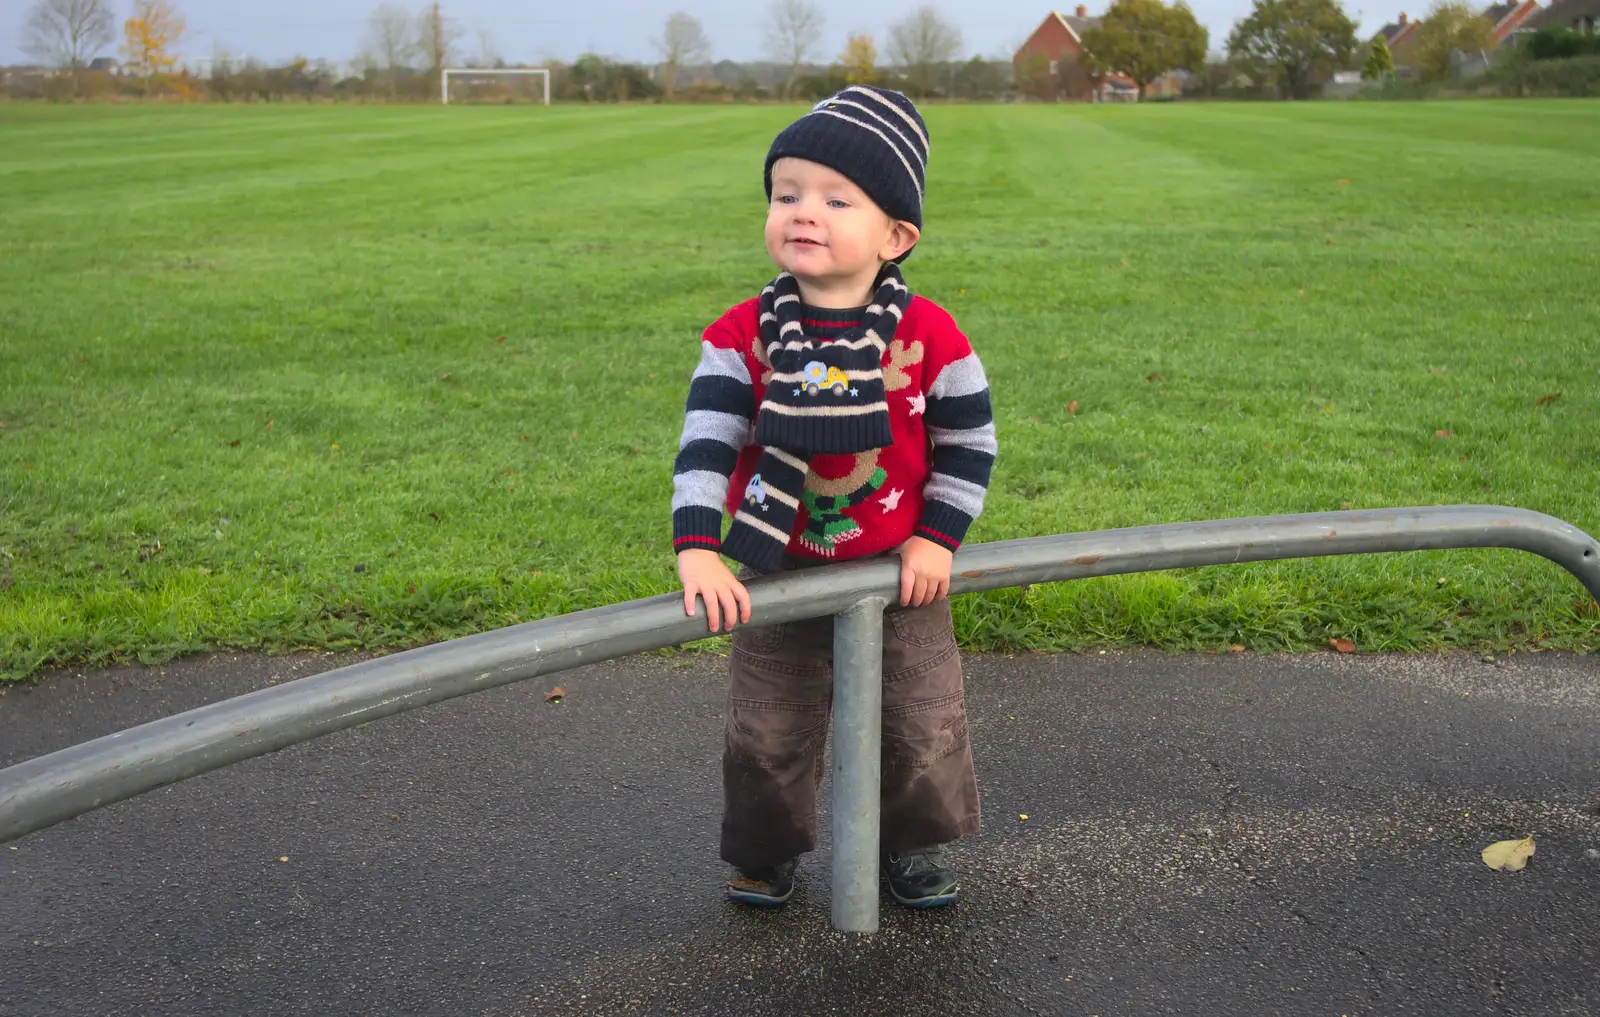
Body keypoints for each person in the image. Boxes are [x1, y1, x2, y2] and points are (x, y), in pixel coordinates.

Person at [670, 86, 997, 910]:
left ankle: (911, 843)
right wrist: (699, 545)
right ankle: (767, 850)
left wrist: (936, 539)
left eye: (834, 198)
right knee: (766, 729)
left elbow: (969, 443)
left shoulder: (931, 336)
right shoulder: (740, 335)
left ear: (896, 235)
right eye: (786, 194)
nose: (803, 212)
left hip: (898, 574)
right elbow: (706, 445)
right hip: (775, 568)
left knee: (920, 720)